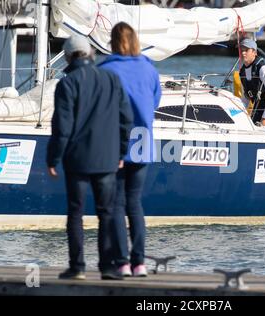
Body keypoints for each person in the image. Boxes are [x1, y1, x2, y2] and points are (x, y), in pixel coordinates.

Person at [47, 34, 133, 280]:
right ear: (90, 54)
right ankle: (107, 267)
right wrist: (121, 152)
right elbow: (126, 120)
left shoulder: (68, 83)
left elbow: (62, 126)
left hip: (77, 159)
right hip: (107, 159)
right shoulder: (111, 79)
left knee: (76, 212)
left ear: (69, 56)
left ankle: (78, 267)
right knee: (105, 212)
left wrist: (53, 158)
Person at [99, 22, 161, 277]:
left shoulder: (106, 68)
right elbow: (156, 100)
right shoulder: (149, 67)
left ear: (113, 42)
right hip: (143, 141)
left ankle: (122, 262)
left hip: (115, 144)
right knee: (134, 204)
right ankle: (140, 263)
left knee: (115, 204)